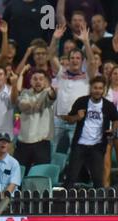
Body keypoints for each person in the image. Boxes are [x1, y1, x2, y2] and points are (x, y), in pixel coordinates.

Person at [63, 76, 118, 189]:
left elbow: (116, 119)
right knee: (71, 176)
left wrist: (113, 130)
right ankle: (64, 203)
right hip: (80, 144)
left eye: (100, 88)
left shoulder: (108, 105)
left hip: (98, 146)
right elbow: (68, 119)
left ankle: (100, 204)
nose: (97, 91)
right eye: (95, 88)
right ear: (90, 89)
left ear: (103, 90)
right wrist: (77, 117)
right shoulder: (81, 101)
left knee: (98, 178)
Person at [49, 24, 97, 154]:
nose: (75, 61)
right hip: (59, 120)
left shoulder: (87, 76)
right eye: (72, 58)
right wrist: (55, 38)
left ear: (82, 61)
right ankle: (53, 175)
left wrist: (86, 42)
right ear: (68, 60)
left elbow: (92, 62)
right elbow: (51, 56)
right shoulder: (61, 73)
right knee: (51, 153)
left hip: (78, 121)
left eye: (78, 58)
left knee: (74, 155)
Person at [12, 66, 56, 174]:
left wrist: (51, 92)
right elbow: (23, 106)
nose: (38, 82)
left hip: (42, 141)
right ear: (31, 81)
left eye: (41, 79)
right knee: (19, 174)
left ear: (46, 81)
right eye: (35, 79)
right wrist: (37, 104)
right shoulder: (25, 93)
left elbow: (51, 96)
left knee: (40, 175)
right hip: (23, 141)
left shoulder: (48, 93)